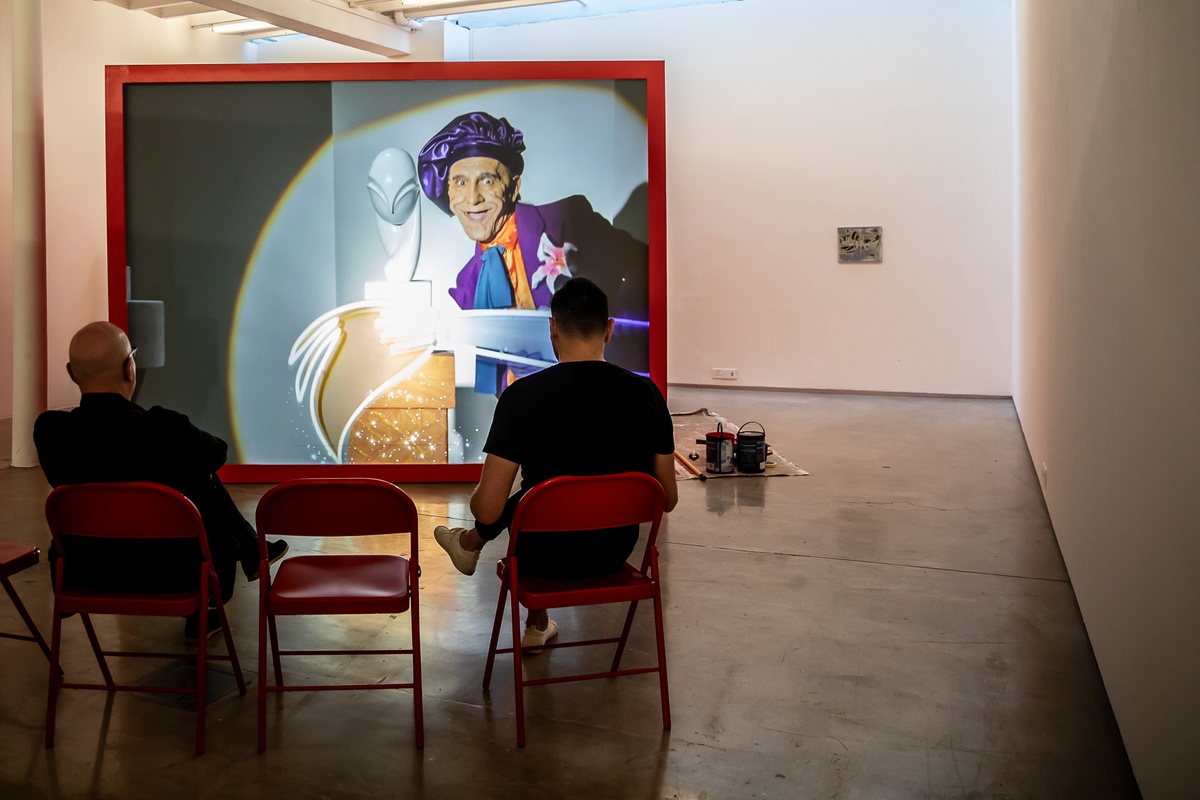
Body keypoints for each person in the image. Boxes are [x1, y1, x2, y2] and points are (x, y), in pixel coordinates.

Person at [434, 278, 678, 649]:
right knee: (553, 485)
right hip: (613, 553)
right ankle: (537, 623)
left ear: (552, 328)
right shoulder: (647, 395)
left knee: (538, 492)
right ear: (609, 330)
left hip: (542, 561)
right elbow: (668, 498)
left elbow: (487, 509)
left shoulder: (521, 398)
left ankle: (470, 545)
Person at [33, 321, 287, 643]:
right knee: (197, 474)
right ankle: (248, 555)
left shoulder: (50, 432)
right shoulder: (165, 429)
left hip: (86, 572)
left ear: (71, 373)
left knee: (184, 475)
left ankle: (250, 552)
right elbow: (218, 453)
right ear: (129, 368)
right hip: (177, 574)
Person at [418, 111, 650, 392]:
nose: (473, 198)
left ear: (514, 187)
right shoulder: (467, 284)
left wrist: (618, 348)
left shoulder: (566, 217)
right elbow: (498, 373)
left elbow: (641, 263)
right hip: (532, 410)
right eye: (460, 182)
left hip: (597, 396)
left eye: (487, 180)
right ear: (448, 192)